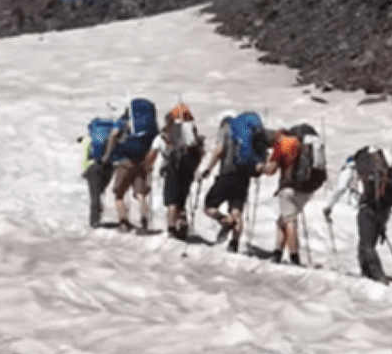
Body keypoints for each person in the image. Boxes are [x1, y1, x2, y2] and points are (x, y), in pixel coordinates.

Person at [323, 145, 392, 282]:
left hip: (367, 208)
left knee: (367, 245)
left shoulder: (352, 169)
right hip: (384, 208)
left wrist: (328, 207)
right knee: (367, 242)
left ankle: (378, 275)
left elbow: (341, 188)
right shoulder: (382, 166)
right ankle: (366, 273)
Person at [201, 112, 267, 253]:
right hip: (244, 176)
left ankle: (225, 220)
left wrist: (208, 169)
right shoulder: (247, 134)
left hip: (227, 174)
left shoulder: (226, 129)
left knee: (208, 206)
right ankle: (234, 244)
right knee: (236, 211)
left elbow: (219, 150)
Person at [100, 99, 159, 232]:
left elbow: (113, 136)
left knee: (119, 193)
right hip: (143, 161)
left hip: (125, 161)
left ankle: (123, 222)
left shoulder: (124, 121)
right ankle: (144, 221)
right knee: (141, 194)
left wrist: (107, 155)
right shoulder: (150, 124)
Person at [256, 127, 308, 264]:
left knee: (289, 221)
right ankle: (277, 253)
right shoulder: (301, 144)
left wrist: (261, 167)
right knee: (282, 221)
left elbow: (271, 170)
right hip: (306, 190)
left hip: (289, 188)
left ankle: (294, 257)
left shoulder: (282, 144)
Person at [156, 104, 203, 240]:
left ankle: (171, 228)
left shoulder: (169, 129)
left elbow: (168, 147)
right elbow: (199, 150)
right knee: (182, 197)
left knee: (172, 198)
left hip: (175, 164)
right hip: (189, 164)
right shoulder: (191, 128)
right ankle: (182, 224)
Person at [79, 117, 118, 228]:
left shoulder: (88, 139)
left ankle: (94, 220)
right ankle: (98, 216)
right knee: (100, 192)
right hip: (108, 167)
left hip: (93, 167)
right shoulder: (111, 138)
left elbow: (83, 156)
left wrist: (83, 170)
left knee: (95, 194)